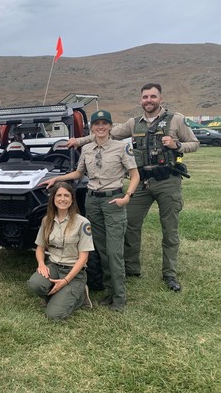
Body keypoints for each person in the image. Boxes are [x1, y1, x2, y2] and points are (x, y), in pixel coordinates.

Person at [67, 84, 199, 292]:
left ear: (160, 98)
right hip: (142, 182)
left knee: (169, 230)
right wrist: (79, 140)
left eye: (153, 96)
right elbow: (105, 133)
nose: (149, 100)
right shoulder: (133, 123)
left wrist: (177, 145)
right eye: (145, 97)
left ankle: (169, 274)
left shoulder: (176, 120)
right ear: (141, 100)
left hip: (167, 182)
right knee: (130, 225)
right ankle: (131, 268)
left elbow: (194, 143)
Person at [42, 110, 139, 311]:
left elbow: (134, 175)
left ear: (111, 126)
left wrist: (127, 196)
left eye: (104, 123)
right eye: (97, 124)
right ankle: (109, 291)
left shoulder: (122, 147)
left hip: (114, 201)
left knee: (114, 252)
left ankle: (119, 298)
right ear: (92, 128)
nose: (101, 127)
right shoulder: (86, 148)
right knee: (101, 250)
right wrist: (57, 179)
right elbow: (79, 172)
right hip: (93, 201)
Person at [27, 182, 95, 321]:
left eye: (66, 195)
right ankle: (58, 295)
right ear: (53, 199)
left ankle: (81, 296)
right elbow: (40, 247)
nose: (62, 199)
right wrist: (41, 264)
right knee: (35, 284)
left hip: (74, 273)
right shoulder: (47, 220)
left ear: (72, 199)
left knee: (54, 315)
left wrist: (65, 280)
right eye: (58, 195)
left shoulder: (82, 223)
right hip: (54, 267)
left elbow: (84, 258)